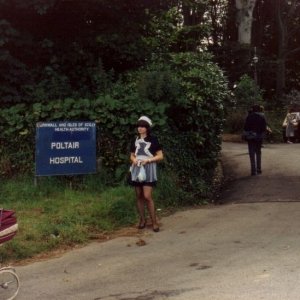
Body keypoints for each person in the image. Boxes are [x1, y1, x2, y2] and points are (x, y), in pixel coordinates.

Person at [129, 116, 163, 232]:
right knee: (138, 195)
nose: (140, 128)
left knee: (147, 196)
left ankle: (154, 221)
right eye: (139, 126)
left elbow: (160, 156)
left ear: (147, 128)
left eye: (143, 126)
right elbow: (132, 154)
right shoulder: (135, 140)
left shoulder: (153, 140)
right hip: (137, 169)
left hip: (149, 169)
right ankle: (142, 220)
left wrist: (148, 160)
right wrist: (134, 160)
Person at [243, 104, 267, 176]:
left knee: (251, 154)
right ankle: (259, 169)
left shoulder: (249, 117)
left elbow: (245, 128)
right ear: (259, 109)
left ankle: (253, 171)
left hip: (250, 137)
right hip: (259, 137)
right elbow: (264, 128)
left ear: (252, 110)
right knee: (258, 153)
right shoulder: (262, 117)